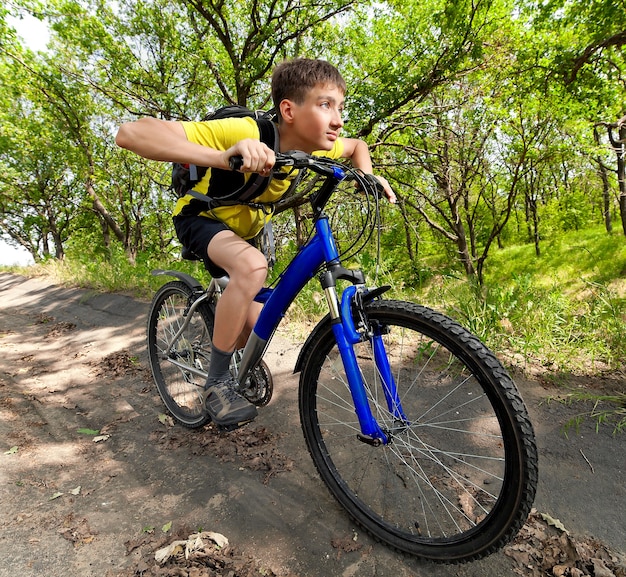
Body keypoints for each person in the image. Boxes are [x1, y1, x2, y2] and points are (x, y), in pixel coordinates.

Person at [116, 58, 396, 429]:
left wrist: (368, 176)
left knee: (254, 330)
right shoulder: (245, 130)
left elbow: (357, 146)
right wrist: (223, 157)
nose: (338, 120)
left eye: (340, 108)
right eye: (326, 105)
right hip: (201, 220)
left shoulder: (317, 147)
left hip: (245, 233)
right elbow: (131, 134)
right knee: (252, 266)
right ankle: (215, 385)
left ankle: (232, 360)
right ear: (288, 110)